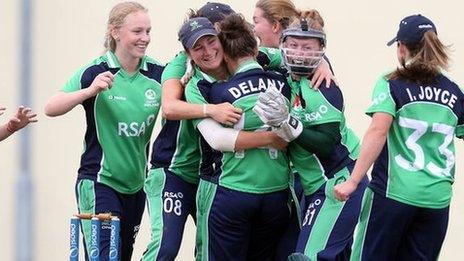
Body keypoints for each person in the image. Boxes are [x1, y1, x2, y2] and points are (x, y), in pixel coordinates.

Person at [333, 14, 464, 261]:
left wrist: (353, 181)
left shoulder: (392, 83)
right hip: (436, 200)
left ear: (401, 48)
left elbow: (378, 131)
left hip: (393, 194)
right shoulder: (454, 90)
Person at [44, 2, 163, 260]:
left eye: (148, 31)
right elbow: (50, 107)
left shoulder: (158, 74)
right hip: (99, 182)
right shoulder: (96, 71)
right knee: (106, 256)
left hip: (136, 186)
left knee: (121, 256)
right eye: (137, 32)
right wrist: (89, 91)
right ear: (115, 32)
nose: (145, 39)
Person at [254, 10, 368, 261]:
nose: (299, 53)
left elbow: (327, 144)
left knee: (309, 257)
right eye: (293, 46)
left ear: (321, 50)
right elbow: (255, 55)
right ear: (284, 44)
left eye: (308, 48)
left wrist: (287, 123)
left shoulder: (323, 87)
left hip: (339, 179)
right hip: (314, 185)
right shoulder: (286, 68)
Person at [185, 13, 294, 261]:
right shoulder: (284, 80)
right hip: (275, 192)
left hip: (233, 190)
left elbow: (217, 139)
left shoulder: (213, 90)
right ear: (256, 47)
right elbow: (291, 55)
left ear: (224, 53)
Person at [253, 0, 335, 88]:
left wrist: (322, 63)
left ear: (275, 26)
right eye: (294, 45)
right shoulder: (264, 57)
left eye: (256, 22)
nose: (253, 30)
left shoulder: (314, 62)